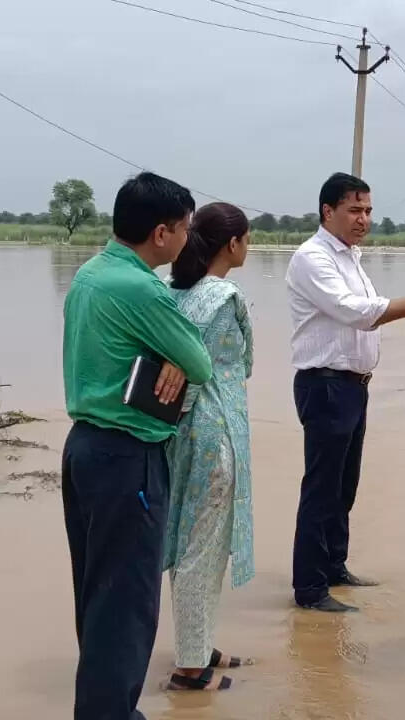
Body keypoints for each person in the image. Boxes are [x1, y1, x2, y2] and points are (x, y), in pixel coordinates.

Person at [60, 172, 214, 720]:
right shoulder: (141, 288)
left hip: (85, 449)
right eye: (184, 229)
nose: (187, 239)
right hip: (127, 457)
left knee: (98, 593)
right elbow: (201, 361)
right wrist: (177, 357)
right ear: (161, 233)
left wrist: (169, 355)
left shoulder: (91, 274)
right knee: (125, 602)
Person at [287, 172, 405, 612]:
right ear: (328, 211)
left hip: (352, 386)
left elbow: (365, 312)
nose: (363, 219)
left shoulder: (351, 258)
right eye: (354, 210)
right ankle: (309, 588)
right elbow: (356, 312)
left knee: (344, 486)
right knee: (322, 488)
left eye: (368, 210)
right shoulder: (313, 258)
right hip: (325, 385)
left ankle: (333, 565)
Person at [163, 202, 256, 692]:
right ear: (233, 244)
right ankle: (190, 668)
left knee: (189, 541)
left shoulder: (171, 291)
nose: (248, 247)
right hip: (215, 435)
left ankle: (198, 645)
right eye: (247, 239)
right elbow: (242, 363)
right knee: (203, 548)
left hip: (178, 434)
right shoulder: (223, 298)